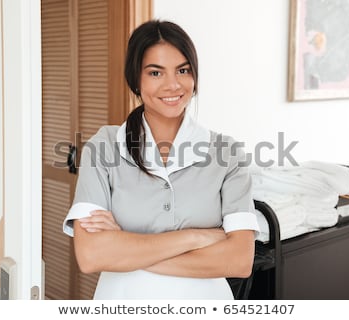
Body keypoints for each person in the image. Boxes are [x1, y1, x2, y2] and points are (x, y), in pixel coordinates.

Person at [63, 19, 260, 299]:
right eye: (156, 73)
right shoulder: (103, 147)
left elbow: (239, 261)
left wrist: (125, 249)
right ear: (136, 80)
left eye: (183, 70)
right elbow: (91, 256)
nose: (172, 85)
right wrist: (198, 237)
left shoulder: (226, 152)